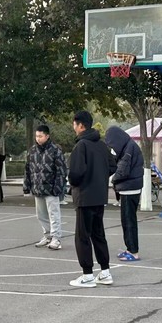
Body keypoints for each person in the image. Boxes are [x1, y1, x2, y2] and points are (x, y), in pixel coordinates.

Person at [68, 111, 117, 287]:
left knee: (82, 236)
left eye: (74, 124)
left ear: (81, 125)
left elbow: (75, 173)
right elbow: (113, 165)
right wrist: (99, 177)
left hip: (84, 196)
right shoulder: (102, 145)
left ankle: (87, 274)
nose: (73, 128)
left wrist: (74, 183)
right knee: (98, 235)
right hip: (99, 196)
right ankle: (105, 272)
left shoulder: (81, 146)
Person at [23, 125, 67, 250]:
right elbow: (27, 169)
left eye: (40, 136)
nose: (38, 138)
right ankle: (47, 235)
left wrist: (58, 187)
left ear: (47, 136)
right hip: (38, 188)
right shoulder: (32, 151)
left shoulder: (55, 151)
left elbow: (61, 170)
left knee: (54, 214)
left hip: (52, 189)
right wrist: (27, 185)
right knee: (41, 215)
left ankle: (56, 238)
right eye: (37, 136)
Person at [105, 126, 144, 262]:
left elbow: (122, 170)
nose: (113, 148)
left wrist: (112, 179)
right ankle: (129, 249)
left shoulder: (129, 149)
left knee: (129, 222)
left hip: (130, 190)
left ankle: (133, 252)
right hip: (130, 188)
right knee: (127, 221)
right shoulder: (129, 146)